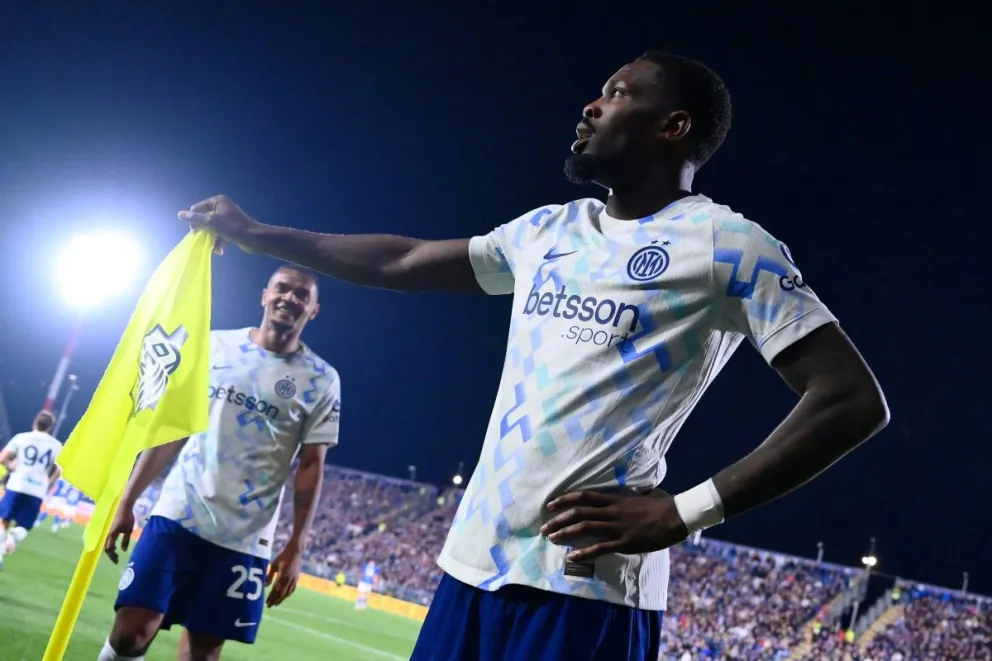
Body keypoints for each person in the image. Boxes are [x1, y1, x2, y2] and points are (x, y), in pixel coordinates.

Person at [181, 50, 889, 661]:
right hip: (471, 568)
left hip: (585, 588)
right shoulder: (549, 231)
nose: (591, 105)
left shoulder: (728, 245)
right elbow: (403, 260)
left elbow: (850, 399)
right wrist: (258, 234)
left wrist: (685, 511)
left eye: (619, 94)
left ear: (673, 127)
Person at [97, 265, 342, 661]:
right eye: (282, 288)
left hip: (245, 536)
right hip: (179, 513)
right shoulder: (213, 347)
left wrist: (296, 545)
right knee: (130, 633)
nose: (290, 298)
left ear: (313, 311)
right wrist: (128, 500)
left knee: (202, 653)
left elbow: (312, 465)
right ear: (265, 295)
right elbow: (173, 430)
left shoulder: (322, 379)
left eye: (302, 295)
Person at [0, 410, 62, 568]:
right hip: (37, 489)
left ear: (35, 422)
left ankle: (0, 554)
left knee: (4, 520)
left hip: (17, 484)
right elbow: (60, 469)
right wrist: (49, 481)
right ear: (50, 427)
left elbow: (2, 457)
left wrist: (10, 465)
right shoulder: (55, 445)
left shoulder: (22, 438)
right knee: (24, 525)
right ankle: (14, 537)